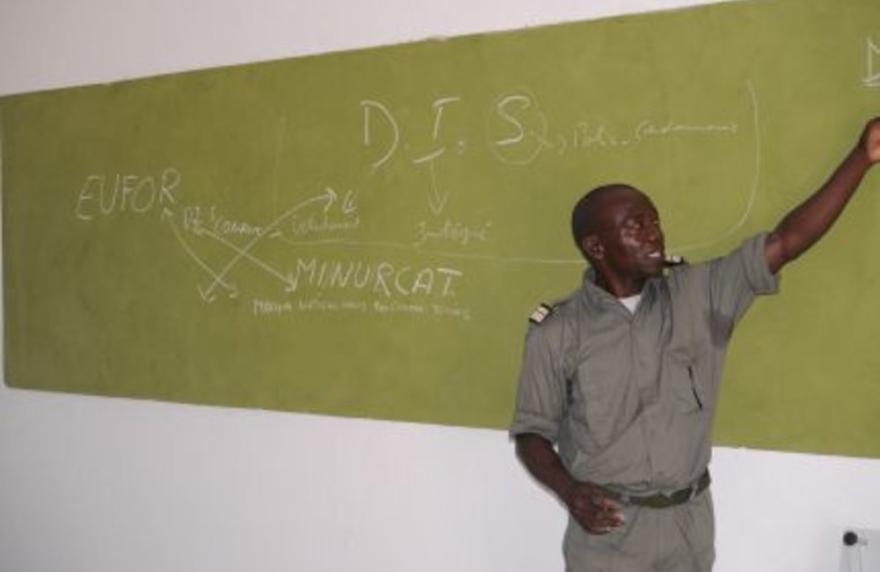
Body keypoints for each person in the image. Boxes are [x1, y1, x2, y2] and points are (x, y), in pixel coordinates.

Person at [509, 117, 880, 572]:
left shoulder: (698, 294)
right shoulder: (559, 331)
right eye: (635, 225)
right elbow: (532, 432)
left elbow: (786, 242)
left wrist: (861, 158)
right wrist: (569, 491)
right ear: (596, 247)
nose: (654, 233)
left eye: (655, 221)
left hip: (690, 524)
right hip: (609, 532)